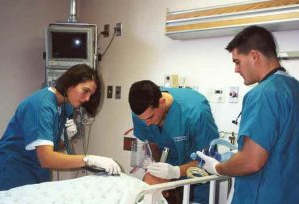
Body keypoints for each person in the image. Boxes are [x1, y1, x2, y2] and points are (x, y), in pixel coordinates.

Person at [197, 25, 299, 204]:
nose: (236, 69)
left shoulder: (263, 94)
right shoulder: (293, 88)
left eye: (237, 61)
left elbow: (251, 161)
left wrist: (217, 167)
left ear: (254, 56)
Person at [0, 64, 121, 191]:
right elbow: (46, 158)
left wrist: (64, 138)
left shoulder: (64, 106)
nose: (87, 98)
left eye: (91, 94)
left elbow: (52, 149)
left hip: (37, 174)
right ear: (70, 82)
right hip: (13, 173)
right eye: (85, 91)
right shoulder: (42, 105)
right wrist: (89, 160)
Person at [128, 80, 219, 203]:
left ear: (162, 103)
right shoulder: (142, 115)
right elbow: (152, 141)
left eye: (150, 117)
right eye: (142, 120)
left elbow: (210, 159)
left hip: (198, 177)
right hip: (168, 178)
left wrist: (176, 172)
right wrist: (154, 163)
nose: (147, 124)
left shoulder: (196, 113)